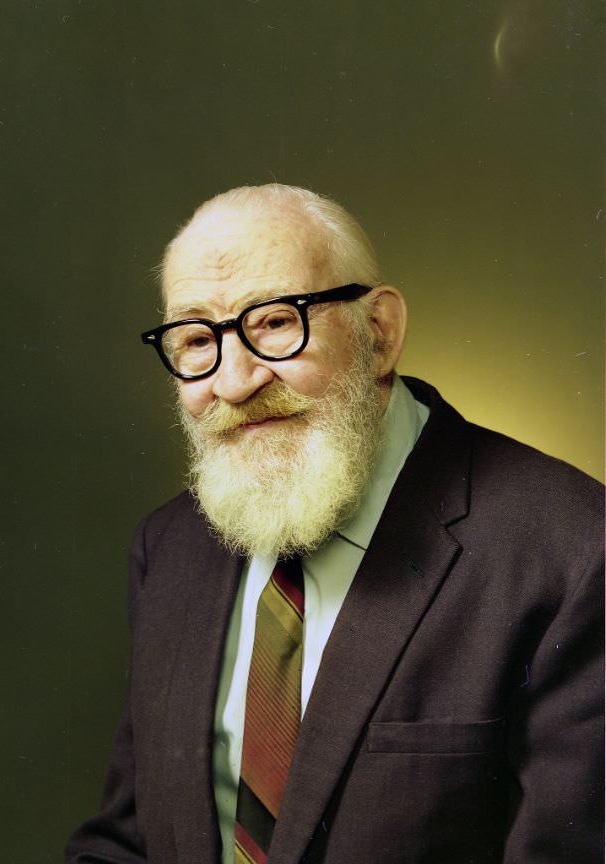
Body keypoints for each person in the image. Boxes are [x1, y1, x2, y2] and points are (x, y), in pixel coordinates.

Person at [66, 184, 603, 864]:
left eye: (275, 322)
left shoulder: (574, 546)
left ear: (378, 332)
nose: (233, 382)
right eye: (198, 338)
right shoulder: (168, 548)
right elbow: (127, 842)